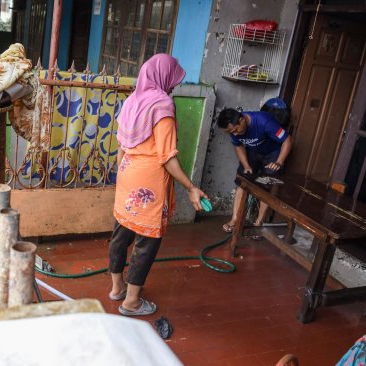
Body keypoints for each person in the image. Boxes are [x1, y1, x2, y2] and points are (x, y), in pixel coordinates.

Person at [108, 54, 208, 316]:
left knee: (121, 234)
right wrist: (190, 187)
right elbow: (167, 157)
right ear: (163, 76)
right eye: (174, 77)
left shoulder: (132, 101)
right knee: (146, 241)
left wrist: (121, 176)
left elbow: (121, 146)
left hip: (127, 173)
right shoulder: (163, 104)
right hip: (149, 182)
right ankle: (131, 302)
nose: (174, 84)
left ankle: (117, 288)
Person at [216, 107, 293, 233]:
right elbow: (239, 146)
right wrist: (246, 166)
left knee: (266, 186)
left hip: (272, 153)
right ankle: (235, 219)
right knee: (242, 181)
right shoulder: (234, 131)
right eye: (230, 132)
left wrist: (279, 161)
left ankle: (259, 223)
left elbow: (287, 139)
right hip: (254, 151)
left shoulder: (264, 121)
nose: (234, 134)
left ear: (242, 120)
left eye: (235, 130)